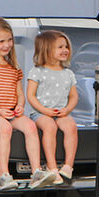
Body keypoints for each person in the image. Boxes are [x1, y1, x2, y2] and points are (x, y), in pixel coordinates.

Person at [0, 17, 54, 190]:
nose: (7, 45)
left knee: (30, 126)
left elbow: (20, 95)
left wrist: (19, 106)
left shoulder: (13, 68)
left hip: (9, 113)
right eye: (1, 41)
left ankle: (36, 171)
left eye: (9, 40)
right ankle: (4, 174)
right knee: (5, 128)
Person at [27, 30, 79, 184]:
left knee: (71, 127)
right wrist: (44, 111)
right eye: (60, 47)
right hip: (40, 113)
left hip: (61, 112)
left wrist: (67, 110)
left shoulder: (68, 73)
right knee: (49, 127)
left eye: (66, 47)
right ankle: (52, 167)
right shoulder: (37, 72)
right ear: (46, 50)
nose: (65, 50)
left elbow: (74, 96)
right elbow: (31, 96)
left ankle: (68, 166)